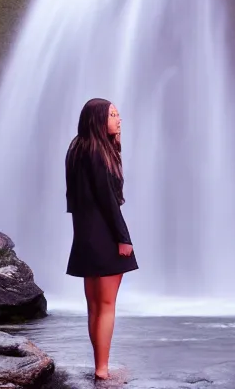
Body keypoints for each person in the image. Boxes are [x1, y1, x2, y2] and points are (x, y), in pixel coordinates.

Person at [65, 97, 138, 380]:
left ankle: (100, 365)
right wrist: (123, 238)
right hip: (105, 236)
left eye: (119, 114)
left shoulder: (77, 149)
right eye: (113, 115)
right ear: (98, 120)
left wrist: (116, 144)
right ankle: (103, 370)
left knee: (94, 307)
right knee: (106, 307)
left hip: (83, 237)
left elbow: (79, 199)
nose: (119, 120)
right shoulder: (99, 153)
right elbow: (109, 201)